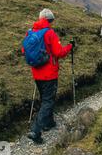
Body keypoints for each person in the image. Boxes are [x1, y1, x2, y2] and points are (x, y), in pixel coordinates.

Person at [22, 8, 74, 144]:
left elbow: (24, 50)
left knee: (45, 98)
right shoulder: (50, 33)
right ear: (50, 20)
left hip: (36, 72)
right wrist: (69, 47)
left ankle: (49, 123)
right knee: (48, 101)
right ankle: (36, 130)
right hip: (49, 74)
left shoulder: (31, 32)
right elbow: (59, 53)